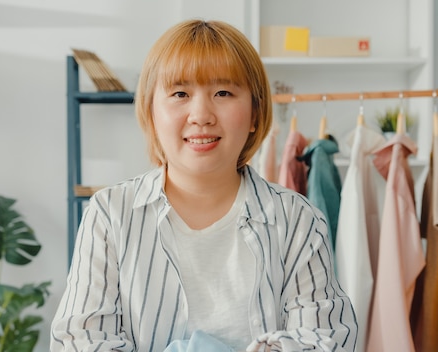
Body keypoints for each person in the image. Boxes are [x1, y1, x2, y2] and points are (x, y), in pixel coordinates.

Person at [50, 19, 357, 352]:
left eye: (223, 92)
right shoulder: (110, 214)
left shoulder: (298, 220)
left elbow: (326, 340)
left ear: (255, 112)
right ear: (152, 111)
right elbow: (79, 341)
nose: (201, 114)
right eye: (180, 93)